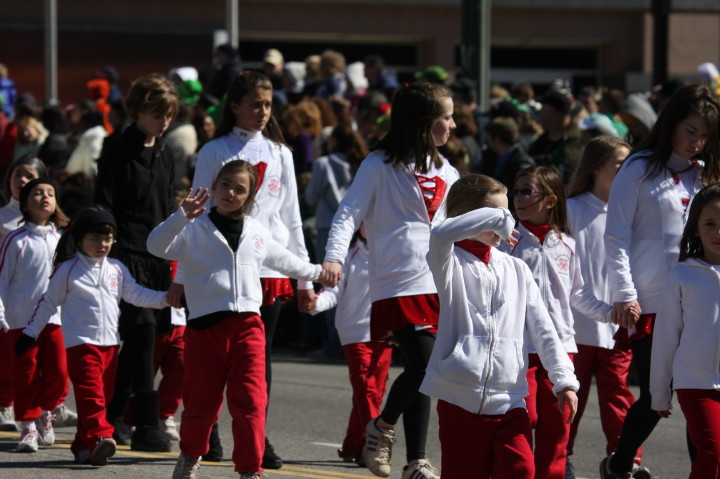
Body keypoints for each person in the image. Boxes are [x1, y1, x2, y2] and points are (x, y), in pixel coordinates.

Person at [147, 160, 329, 479]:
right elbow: (156, 246)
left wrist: (318, 272)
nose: (231, 192)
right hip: (205, 330)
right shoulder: (194, 228)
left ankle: (250, 469)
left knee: (251, 402)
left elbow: (286, 261)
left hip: (248, 327)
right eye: (226, 185)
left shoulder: (257, 231)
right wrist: (180, 216)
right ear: (214, 186)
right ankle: (190, 455)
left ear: (250, 196)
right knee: (200, 405)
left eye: (240, 189)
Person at [322, 81, 460, 479]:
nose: (453, 125)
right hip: (397, 280)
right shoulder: (378, 165)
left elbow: (459, 222)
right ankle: (381, 428)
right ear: (422, 122)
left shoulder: (447, 170)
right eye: (446, 117)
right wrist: (333, 257)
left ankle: (416, 460)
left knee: (424, 369)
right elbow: (348, 213)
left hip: (438, 280)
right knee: (426, 363)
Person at [190, 70, 315, 469]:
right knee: (214, 356)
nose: (263, 111)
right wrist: (181, 275)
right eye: (255, 104)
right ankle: (208, 429)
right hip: (220, 263)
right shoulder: (214, 150)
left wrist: (305, 279)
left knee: (259, 357)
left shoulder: (282, 153)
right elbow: (196, 211)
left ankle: (257, 436)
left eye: (268, 105)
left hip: (268, 265)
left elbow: (292, 218)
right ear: (234, 106)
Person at [420, 174, 579, 479]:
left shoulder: (516, 268)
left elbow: (544, 329)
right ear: (468, 217)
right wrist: (498, 217)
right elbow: (440, 232)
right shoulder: (448, 261)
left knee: (522, 470)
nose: (507, 222)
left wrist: (564, 380)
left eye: (507, 214)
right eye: (496, 215)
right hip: (460, 400)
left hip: (510, 400)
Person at [601, 84, 720, 479]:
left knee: (701, 389)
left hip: (700, 297)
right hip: (649, 300)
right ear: (671, 124)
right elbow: (615, 235)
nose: (696, 141)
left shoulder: (705, 174)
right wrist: (624, 292)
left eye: (704, 135)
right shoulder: (638, 168)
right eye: (691, 131)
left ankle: (703, 469)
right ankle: (620, 464)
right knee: (658, 390)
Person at [17, 208, 170, 466]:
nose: (102, 244)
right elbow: (47, 303)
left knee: (104, 396)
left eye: (108, 239)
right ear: (79, 240)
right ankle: (101, 437)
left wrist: (167, 298)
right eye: (95, 238)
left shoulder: (117, 269)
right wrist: (30, 333)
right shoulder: (67, 270)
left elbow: (137, 294)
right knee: (92, 397)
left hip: (110, 345)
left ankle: (82, 446)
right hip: (80, 344)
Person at [507, 165, 614, 479]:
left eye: (527, 191)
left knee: (558, 422)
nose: (518, 197)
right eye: (516, 191)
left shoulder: (567, 244)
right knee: (524, 416)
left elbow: (578, 294)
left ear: (551, 200)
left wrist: (611, 313)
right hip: (520, 347)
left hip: (561, 349)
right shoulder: (506, 241)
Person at [95, 73, 179, 453]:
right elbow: (105, 203)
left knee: (139, 342)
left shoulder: (167, 152)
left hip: (157, 257)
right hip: (126, 254)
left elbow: (167, 205)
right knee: (142, 332)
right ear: (139, 111)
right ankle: (146, 423)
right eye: (157, 114)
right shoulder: (116, 150)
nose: (164, 122)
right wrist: (108, 251)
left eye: (169, 115)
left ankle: (114, 413)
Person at [564, 137, 639, 478]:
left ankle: (624, 462)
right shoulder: (571, 208)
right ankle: (560, 457)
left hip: (618, 321)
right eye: (619, 163)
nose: (626, 170)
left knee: (618, 396)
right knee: (570, 396)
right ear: (596, 167)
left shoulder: (631, 211)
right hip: (575, 323)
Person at [650, 183, 720, 479]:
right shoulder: (681, 275)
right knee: (713, 455)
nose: (718, 232)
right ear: (695, 229)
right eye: (710, 224)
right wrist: (659, 392)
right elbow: (665, 338)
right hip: (695, 384)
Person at [309, 223, 393, 465]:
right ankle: (375, 445)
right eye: (366, 219)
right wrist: (315, 304)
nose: (373, 223)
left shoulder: (392, 253)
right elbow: (332, 292)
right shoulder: (348, 257)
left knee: (375, 393)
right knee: (366, 390)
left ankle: (354, 446)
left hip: (385, 334)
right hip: (355, 333)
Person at [0, 179, 69, 452]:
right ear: (26, 204)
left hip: (54, 318)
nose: (45, 197)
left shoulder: (61, 240)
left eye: (50, 193)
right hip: (20, 320)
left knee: (59, 373)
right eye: (37, 193)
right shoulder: (15, 239)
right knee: (26, 374)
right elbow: (2, 279)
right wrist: (2, 313)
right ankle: (28, 426)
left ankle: (44, 413)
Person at [0, 156, 49, 432]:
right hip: (9, 301)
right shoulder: (2, 218)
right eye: (17, 174)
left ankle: (50, 406)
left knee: (46, 361)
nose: (22, 180)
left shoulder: (49, 225)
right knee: (9, 358)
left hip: (42, 304)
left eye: (30, 176)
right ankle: (5, 404)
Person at [528, 89, 583, 183]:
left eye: (543, 106)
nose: (540, 111)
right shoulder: (541, 140)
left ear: (553, 112)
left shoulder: (574, 142)